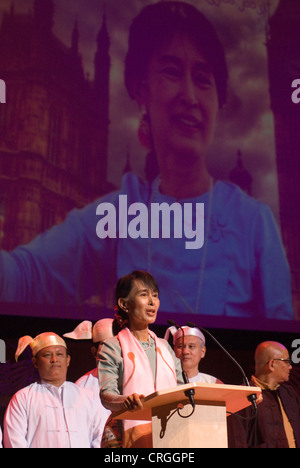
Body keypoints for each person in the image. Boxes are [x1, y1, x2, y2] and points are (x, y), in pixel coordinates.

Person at [0, 1, 293, 320]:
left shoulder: (253, 223)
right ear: (142, 90)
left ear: (218, 100)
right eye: (171, 72)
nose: (190, 96)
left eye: (203, 79)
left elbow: (282, 353)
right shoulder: (120, 214)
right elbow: (25, 278)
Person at [98, 270, 184, 448]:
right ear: (124, 304)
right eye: (144, 295)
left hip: (169, 436)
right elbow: (106, 396)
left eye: (155, 295)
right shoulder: (113, 346)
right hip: (124, 435)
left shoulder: (165, 347)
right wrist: (126, 400)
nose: (152, 302)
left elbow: (183, 389)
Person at [3, 332, 102, 448]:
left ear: (68, 360)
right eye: (47, 355)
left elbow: (100, 437)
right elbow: (14, 441)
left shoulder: (88, 397)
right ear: (35, 362)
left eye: (59, 354)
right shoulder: (23, 398)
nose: (54, 359)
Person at [227, 341, 300, 448]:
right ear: (272, 364)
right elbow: (237, 441)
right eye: (286, 361)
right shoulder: (243, 396)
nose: (290, 367)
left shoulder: (289, 394)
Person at [63, 319, 115, 439]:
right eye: (108, 347)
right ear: (94, 352)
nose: (115, 352)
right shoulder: (82, 387)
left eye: (118, 346)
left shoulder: (139, 377)